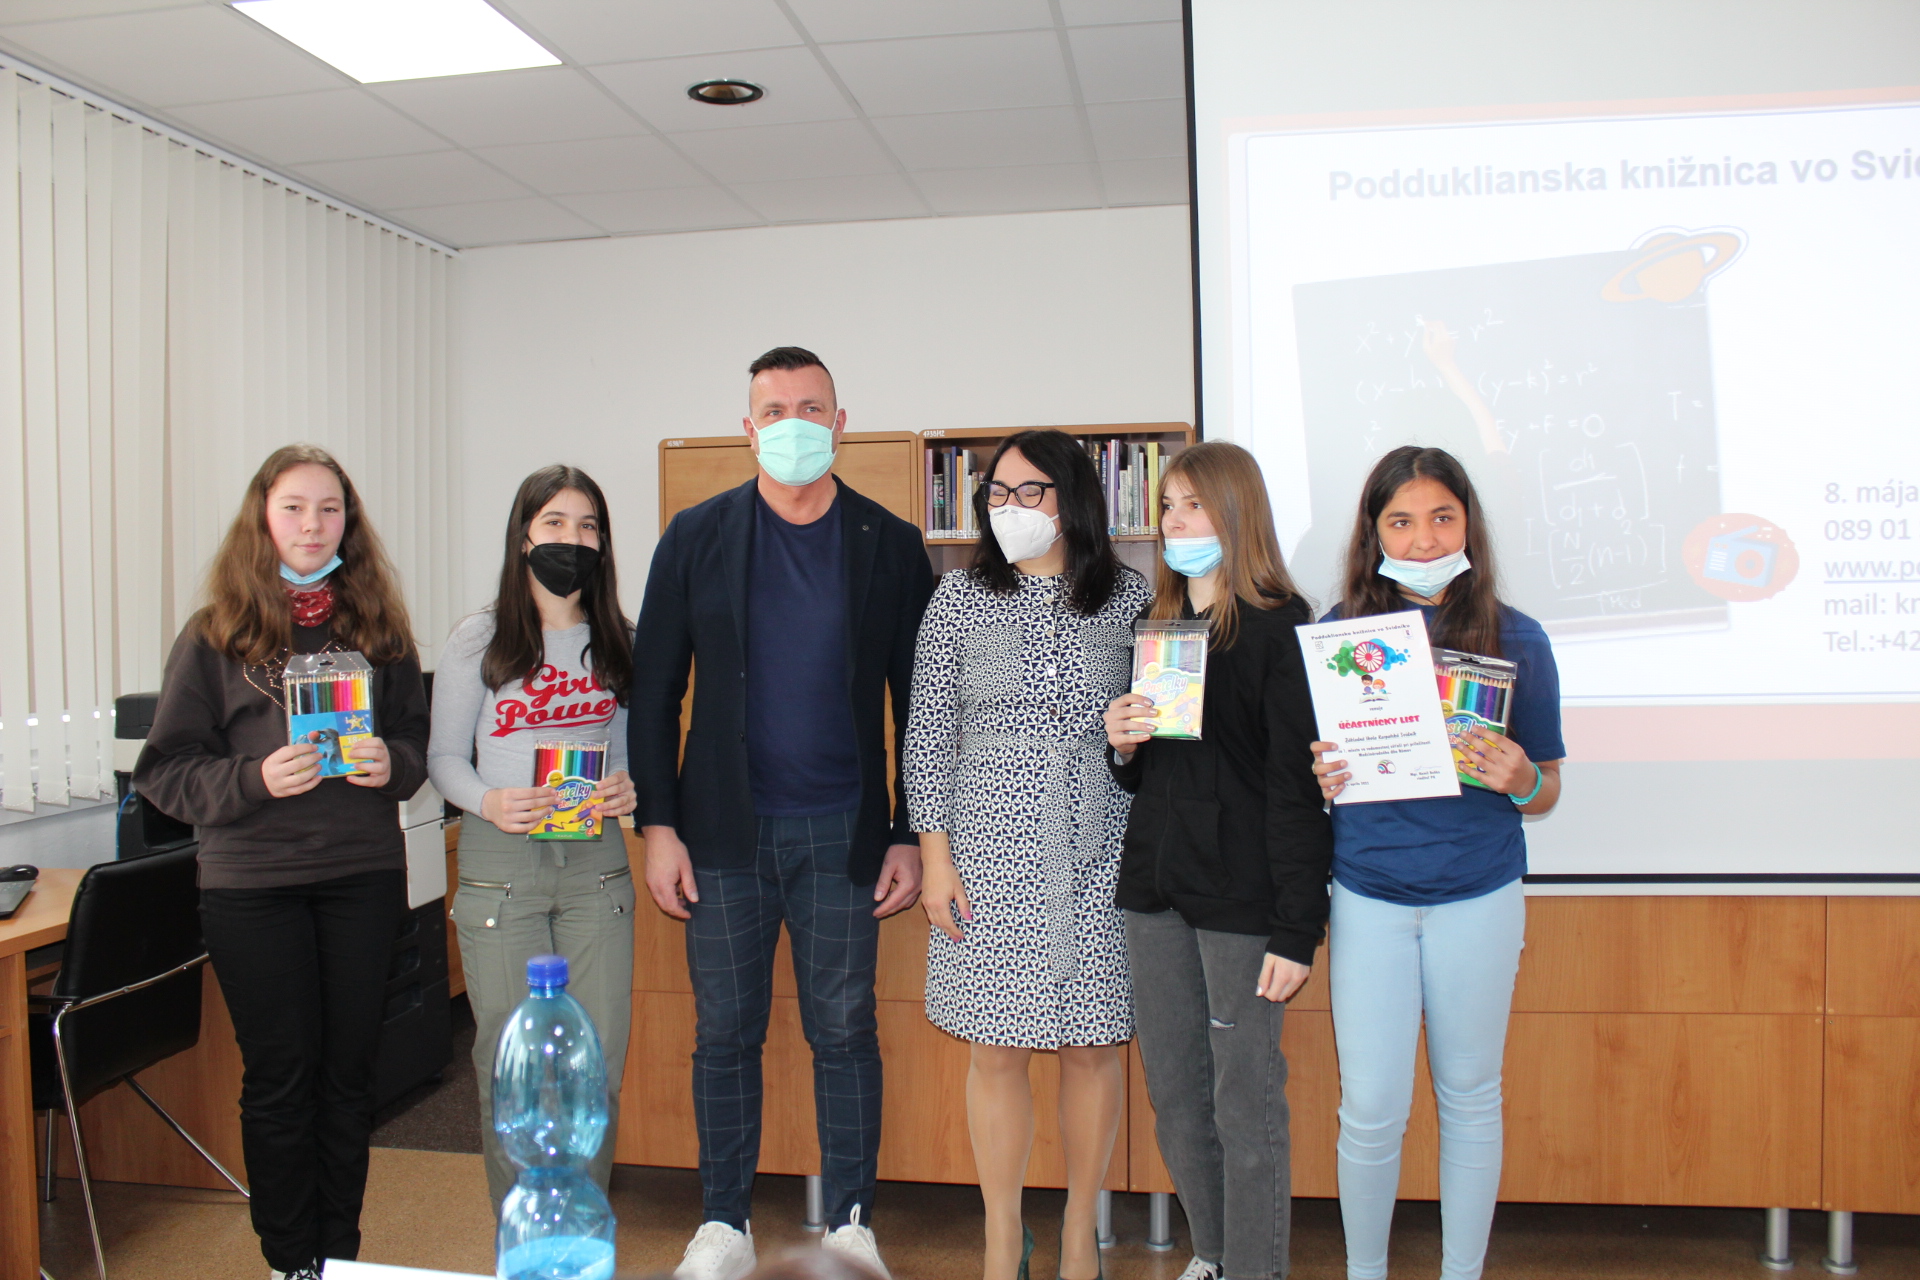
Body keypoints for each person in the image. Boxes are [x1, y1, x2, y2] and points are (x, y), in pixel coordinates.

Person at [631, 346, 936, 1280]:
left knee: (844, 1031)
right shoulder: (696, 536)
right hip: (721, 833)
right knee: (724, 1032)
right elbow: (655, 691)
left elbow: (920, 704)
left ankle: (850, 1223)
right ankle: (724, 1223)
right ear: (748, 427)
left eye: (811, 408)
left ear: (840, 424)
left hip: (844, 832)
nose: (793, 424)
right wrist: (659, 826)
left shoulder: (890, 543)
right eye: (775, 410)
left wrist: (908, 831)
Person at [135, 445, 430, 1280]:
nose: (312, 524)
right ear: (262, 519)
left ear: (349, 522)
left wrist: (392, 765)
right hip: (254, 887)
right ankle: (289, 1260)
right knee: (280, 1079)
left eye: (329, 508)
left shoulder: (379, 631)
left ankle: (338, 1256)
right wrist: (253, 779)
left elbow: (415, 745)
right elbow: (164, 771)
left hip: (362, 876)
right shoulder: (215, 635)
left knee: (349, 1078)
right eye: (294, 507)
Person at [1309, 445, 1564, 1280]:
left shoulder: (1519, 638)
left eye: (1442, 518)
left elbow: (1547, 787)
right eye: (1402, 522)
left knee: (1471, 1097)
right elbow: (1309, 772)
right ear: (1374, 533)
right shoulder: (1338, 635)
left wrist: (1524, 779)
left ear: (1468, 525)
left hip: (1478, 894)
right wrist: (1320, 776)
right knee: (1370, 1108)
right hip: (1370, 895)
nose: (1423, 540)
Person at [905, 429, 1151, 1280]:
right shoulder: (958, 598)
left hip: (1100, 847)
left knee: (1092, 1045)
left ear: (1072, 498)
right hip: (986, 852)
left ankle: (1082, 1233)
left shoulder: (1129, 597)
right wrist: (935, 860)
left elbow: (1156, 729)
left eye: (1030, 491)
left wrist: (1128, 742)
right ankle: (1003, 1238)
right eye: (998, 494)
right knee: (996, 1048)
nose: (1010, 508)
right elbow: (927, 735)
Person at [1101, 441, 1332, 1280]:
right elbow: (1151, 773)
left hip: (1242, 903)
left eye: (1193, 505)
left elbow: (1296, 792)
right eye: (1168, 507)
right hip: (1154, 892)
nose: (1175, 522)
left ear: (1237, 513)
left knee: (1245, 1101)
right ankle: (1214, 1254)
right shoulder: (1156, 628)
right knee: (1174, 1094)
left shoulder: (1281, 630)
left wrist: (1297, 928)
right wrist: (1121, 745)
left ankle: (1255, 1269)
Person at [428, 465, 638, 1211]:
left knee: (595, 1065)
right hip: (501, 862)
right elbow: (443, 759)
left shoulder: (620, 639)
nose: (571, 539)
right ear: (524, 536)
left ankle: (579, 1233)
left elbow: (627, 755)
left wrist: (629, 787)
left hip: (595, 865)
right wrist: (489, 800)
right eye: (554, 523)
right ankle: (523, 1241)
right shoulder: (479, 638)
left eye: (587, 526)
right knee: (513, 1068)